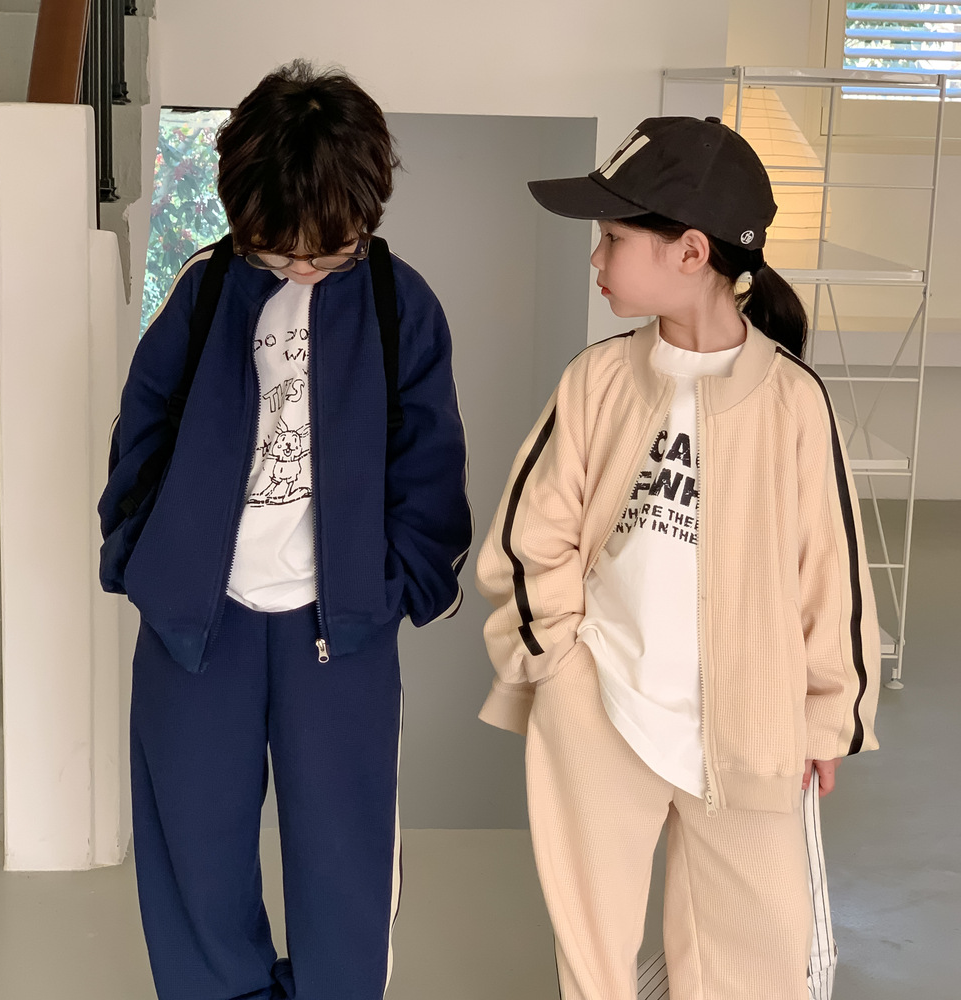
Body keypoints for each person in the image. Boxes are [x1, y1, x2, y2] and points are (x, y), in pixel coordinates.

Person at [475, 116, 879, 1000]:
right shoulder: (597, 381)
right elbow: (529, 535)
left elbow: (832, 577)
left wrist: (827, 717)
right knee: (593, 968)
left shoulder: (793, 403)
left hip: (748, 733)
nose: (597, 258)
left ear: (691, 251)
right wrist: (559, 666)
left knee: (752, 970)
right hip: (600, 711)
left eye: (614, 239)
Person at [99, 60, 472, 1000]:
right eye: (276, 253)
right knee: (194, 860)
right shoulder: (204, 289)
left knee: (345, 868)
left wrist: (394, 587)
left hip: (338, 631)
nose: (302, 267)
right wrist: (146, 560)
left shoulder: (398, 303)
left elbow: (431, 460)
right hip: (198, 626)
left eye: (327, 252)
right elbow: (141, 432)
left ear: (365, 214)